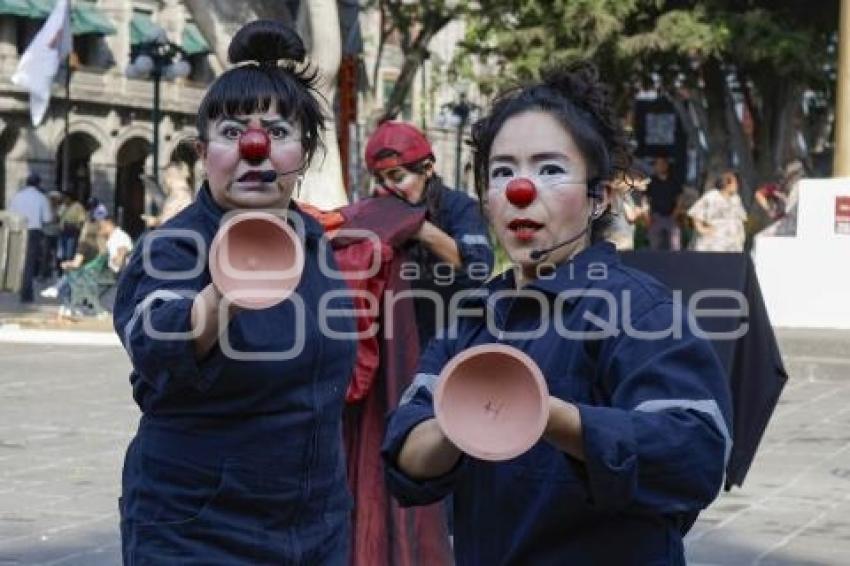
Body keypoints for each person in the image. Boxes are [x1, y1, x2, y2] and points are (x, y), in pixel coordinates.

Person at [382, 62, 732, 565]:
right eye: (503, 171)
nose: (521, 190)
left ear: (600, 197)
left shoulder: (642, 309)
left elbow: (694, 455)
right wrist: (461, 421)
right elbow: (406, 460)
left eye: (550, 169)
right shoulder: (472, 320)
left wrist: (547, 416)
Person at [113, 21, 357, 563]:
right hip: (198, 530)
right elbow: (156, 334)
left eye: (276, 130)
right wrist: (222, 291)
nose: (253, 146)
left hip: (315, 529)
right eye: (231, 132)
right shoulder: (173, 246)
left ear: (307, 150)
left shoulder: (316, 244)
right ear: (204, 152)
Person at [365, 120, 494, 349]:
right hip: (395, 344)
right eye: (380, 180)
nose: (386, 189)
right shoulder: (378, 211)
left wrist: (418, 228)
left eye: (397, 177)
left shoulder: (461, 208)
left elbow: (479, 267)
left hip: (453, 342)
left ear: (427, 168)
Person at [9, 172, 52, 303]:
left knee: (17, 261)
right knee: (29, 263)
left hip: (16, 230)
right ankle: (26, 292)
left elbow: (10, 214)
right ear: (38, 184)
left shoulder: (17, 197)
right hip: (33, 231)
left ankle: (15, 286)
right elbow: (47, 218)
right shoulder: (41, 197)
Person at [687, 169, 748, 252]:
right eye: (735, 183)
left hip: (734, 245)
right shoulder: (711, 196)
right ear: (726, 184)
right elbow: (696, 213)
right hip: (715, 243)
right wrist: (701, 229)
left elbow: (741, 217)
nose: (737, 185)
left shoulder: (736, 198)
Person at [646, 155, 682, 250]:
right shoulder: (651, 182)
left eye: (663, 163)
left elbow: (679, 199)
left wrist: (675, 214)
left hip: (671, 216)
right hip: (655, 216)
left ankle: (675, 262)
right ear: (655, 166)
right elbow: (645, 199)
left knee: (675, 245)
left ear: (667, 165)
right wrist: (647, 216)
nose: (661, 166)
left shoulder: (674, 181)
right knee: (654, 245)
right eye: (658, 164)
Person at [58, 191, 87, 262]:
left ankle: (68, 270)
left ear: (70, 198)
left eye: (65, 198)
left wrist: (78, 229)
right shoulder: (63, 206)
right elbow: (59, 216)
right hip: (63, 232)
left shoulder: (78, 206)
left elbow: (82, 220)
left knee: (69, 253)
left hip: (72, 233)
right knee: (62, 254)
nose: (64, 200)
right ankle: (62, 269)